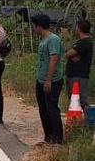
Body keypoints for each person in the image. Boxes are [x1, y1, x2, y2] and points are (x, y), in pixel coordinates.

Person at [32, 14, 64, 145]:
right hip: (41, 79)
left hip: (52, 80)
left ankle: (57, 138)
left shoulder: (53, 39)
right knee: (43, 109)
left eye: (34, 26)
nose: (33, 29)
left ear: (39, 26)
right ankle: (48, 136)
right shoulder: (43, 40)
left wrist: (48, 79)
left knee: (51, 108)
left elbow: (54, 59)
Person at [64, 20, 92, 112]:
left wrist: (71, 54)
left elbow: (68, 54)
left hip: (79, 76)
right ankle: (77, 120)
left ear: (79, 29)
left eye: (76, 27)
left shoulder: (85, 42)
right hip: (73, 75)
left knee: (82, 100)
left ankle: (89, 121)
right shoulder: (80, 42)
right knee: (74, 100)